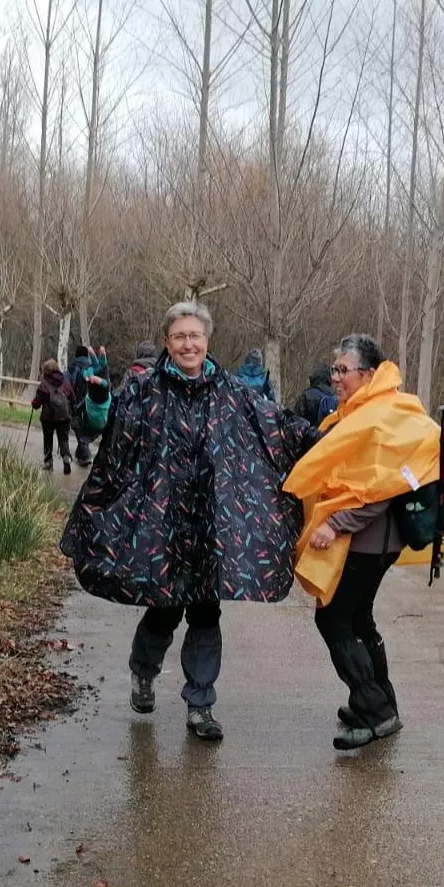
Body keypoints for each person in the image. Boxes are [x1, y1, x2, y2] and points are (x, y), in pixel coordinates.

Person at [61, 302, 319, 742]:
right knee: (163, 609)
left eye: (195, 335)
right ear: (167, 341)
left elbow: (279, 427)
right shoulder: (143, 390)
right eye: (179, 336)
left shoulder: (232, 392)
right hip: (159, 524)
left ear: (207, 340)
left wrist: (333, 440)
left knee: (205, 612)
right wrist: (99, 399)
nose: (188, 344)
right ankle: (144, 672)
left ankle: (201, 705)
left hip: (211, 526)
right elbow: (98, 424)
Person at [284, 334, 444, 750]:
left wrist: (336, 523)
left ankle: (375, 711)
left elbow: (382, 489)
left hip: (369, 539)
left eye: (344, 370)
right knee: (358, 621)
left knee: (333, 620)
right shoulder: (371, 410)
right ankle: (381, 702)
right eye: (334, 369)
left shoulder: (383, 415)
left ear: (369, 374)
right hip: (376, 541)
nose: (336, 378)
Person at [31, 359, 75, 474]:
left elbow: (37, 403)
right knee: (63, 439)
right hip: (64, 416)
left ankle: (48, 463)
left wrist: (33, 403)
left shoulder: (44, 383)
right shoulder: (64, 381)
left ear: (45, 370)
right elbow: (72, 397)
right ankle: (66, 458)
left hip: (48, 417)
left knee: (48, 439)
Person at [68, 344, 109, 465]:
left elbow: (69, 385)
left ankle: (84, 456)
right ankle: (80, 453)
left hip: (81, 404)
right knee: (85, 431)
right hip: (91, 403)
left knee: (79, 429)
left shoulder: (73, 368)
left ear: (76, 355)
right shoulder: (91, 367)